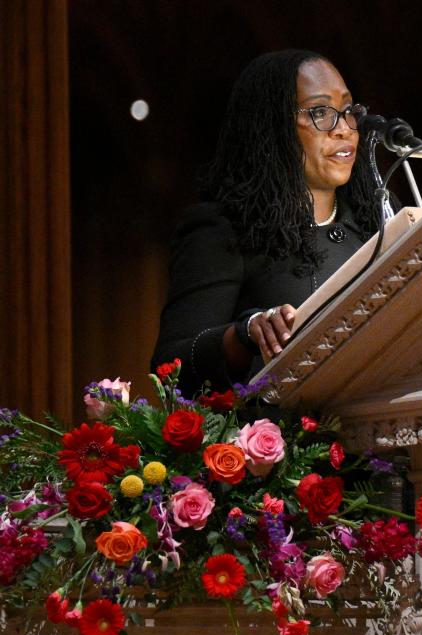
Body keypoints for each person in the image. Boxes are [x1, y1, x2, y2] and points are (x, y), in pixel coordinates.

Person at [151, 49, 382, 396]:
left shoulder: (378, 220)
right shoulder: (226, 230)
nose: (345, 130)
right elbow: (170, 368)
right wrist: (244, 336)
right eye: (320, 112)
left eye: (348, 111)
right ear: (273, 127)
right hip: (281, 443)